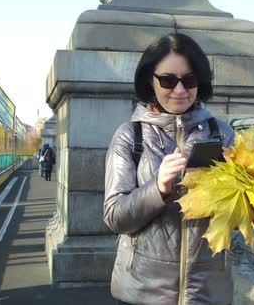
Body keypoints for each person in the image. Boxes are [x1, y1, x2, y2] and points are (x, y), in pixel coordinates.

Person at [104, 33, 235, 305]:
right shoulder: (130, 135)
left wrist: (246, 188)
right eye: (167, 80)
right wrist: (158, 189)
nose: (179, 90)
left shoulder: (222, 134)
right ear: (150, 81)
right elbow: (115, 217)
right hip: (142, 293)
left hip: (207, 293)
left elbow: (237, 218)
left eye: (189, 81)